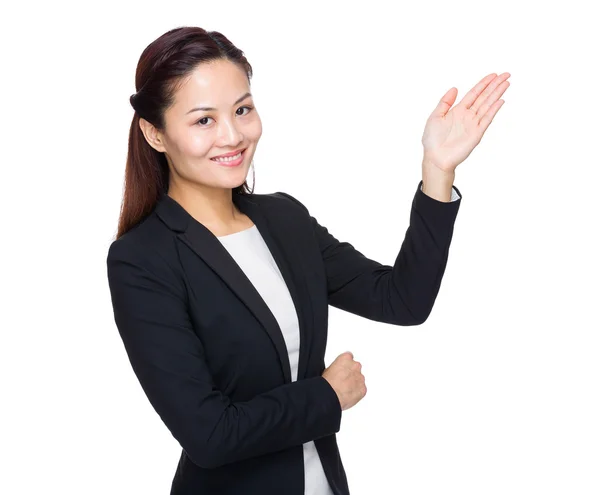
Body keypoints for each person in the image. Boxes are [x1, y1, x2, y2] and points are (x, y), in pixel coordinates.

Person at [106, 26, 509, 495]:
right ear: (155, 134)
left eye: (242, 109)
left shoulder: (284, 219)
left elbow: (402, 301)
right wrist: (327, 396)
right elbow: (209, 436)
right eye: (203, 120)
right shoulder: (142, 261)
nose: (232, 135)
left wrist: (437, 171)